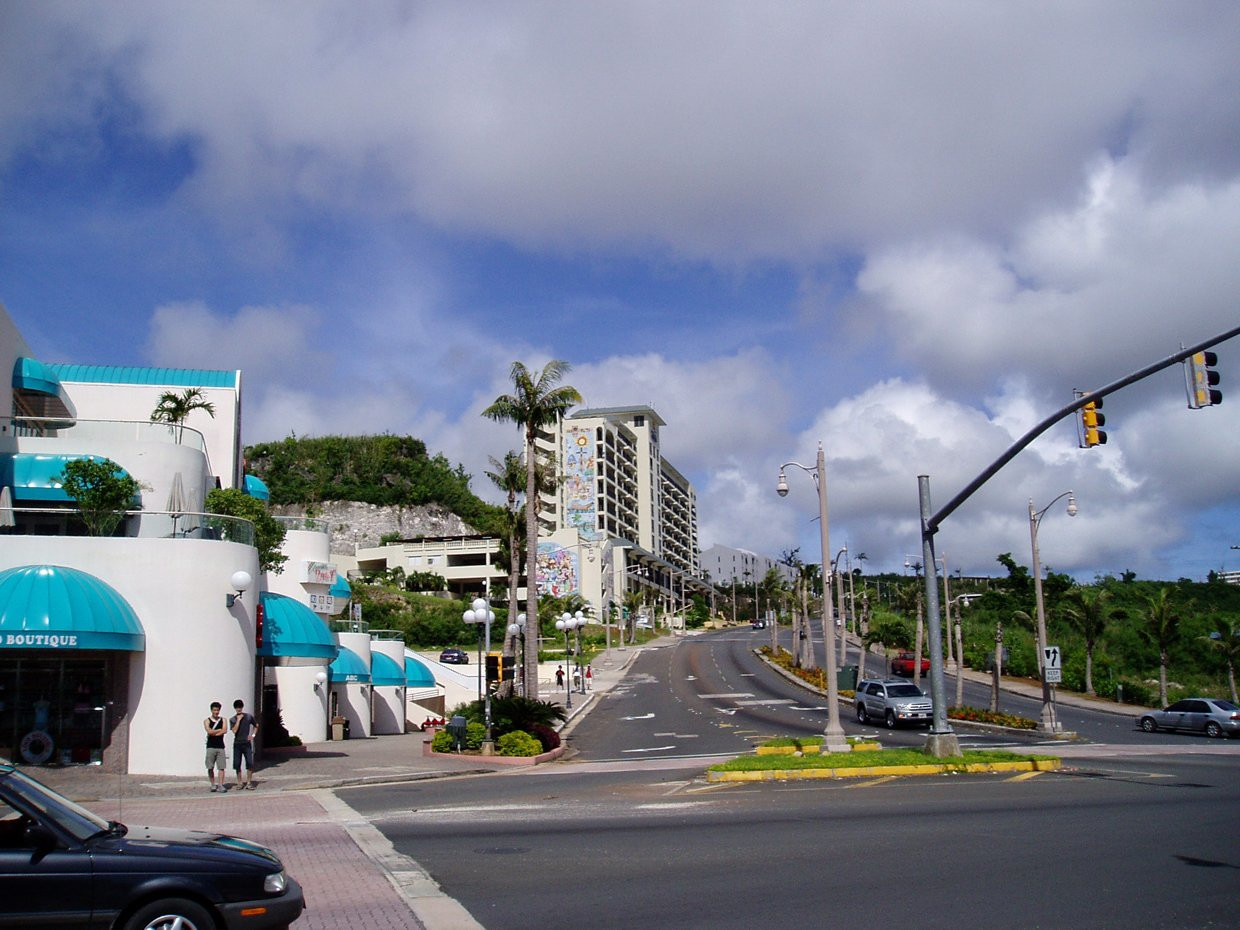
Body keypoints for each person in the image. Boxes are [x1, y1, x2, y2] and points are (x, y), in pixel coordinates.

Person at [230, 699, 259, 790]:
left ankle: (249, 782)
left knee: (250, 763)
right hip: (237, 743)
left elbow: (256, 725)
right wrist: (238, 720)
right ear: (235, 708)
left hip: (246, 743)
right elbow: (234, 730)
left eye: (240, 707)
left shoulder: (248, 717)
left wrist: (253, 735)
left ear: (242, 707)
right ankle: (240, 782)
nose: (238, 709)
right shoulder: (233, 719)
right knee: (237, 763)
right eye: (237, 707)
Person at [204, 701, 227, 792]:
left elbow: (224, 730)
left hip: (220, 746)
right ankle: (213, 784)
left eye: (217, 710)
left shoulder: (223, 720)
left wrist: (216, 732)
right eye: (214, 710)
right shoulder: (207, 721)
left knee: (221, 767)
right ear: (211, 710)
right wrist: (218, 730)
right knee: (210, 766)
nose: (216, 712)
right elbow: (209, 731)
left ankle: (221, 784)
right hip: (210, 746)